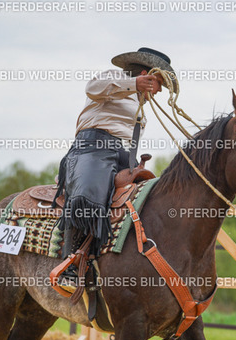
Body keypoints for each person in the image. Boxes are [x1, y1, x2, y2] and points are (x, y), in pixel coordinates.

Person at [54, 48, 175, 275]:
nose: (159, 91)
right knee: (88, 196)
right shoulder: (116, 78)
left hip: (124, 158)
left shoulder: (139, 107)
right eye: (159, 83)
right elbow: (92, 88)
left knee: (147, 202)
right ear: (145, 75)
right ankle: (70, 265)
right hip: (93, 148)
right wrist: (134, 84)